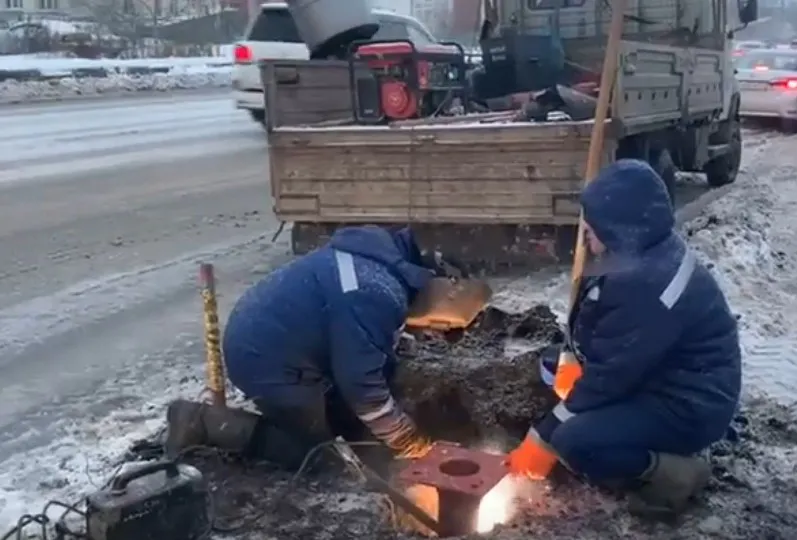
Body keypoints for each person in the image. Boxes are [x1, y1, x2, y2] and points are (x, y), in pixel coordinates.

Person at [507, 159, 742, 517]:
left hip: (691, 404)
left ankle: (675, 473)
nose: (586, 231)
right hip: (660, 374)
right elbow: (601, 321)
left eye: (594, 224)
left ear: (622, 226)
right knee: (555, 371)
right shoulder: (641, 253)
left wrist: (542, 436)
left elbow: (609, 378)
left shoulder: (648, 285)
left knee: (573, 440)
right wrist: (572, 358)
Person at [166, 225, 461, 470]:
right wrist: (409, 442)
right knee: (322, 461)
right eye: (457, 298)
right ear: (435, 276)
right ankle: (204, 422)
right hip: (266, 360)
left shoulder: (376, 261)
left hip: (275, 336)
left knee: (355, 422)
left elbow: (359, 341)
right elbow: (363, 388)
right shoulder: (373, 293)